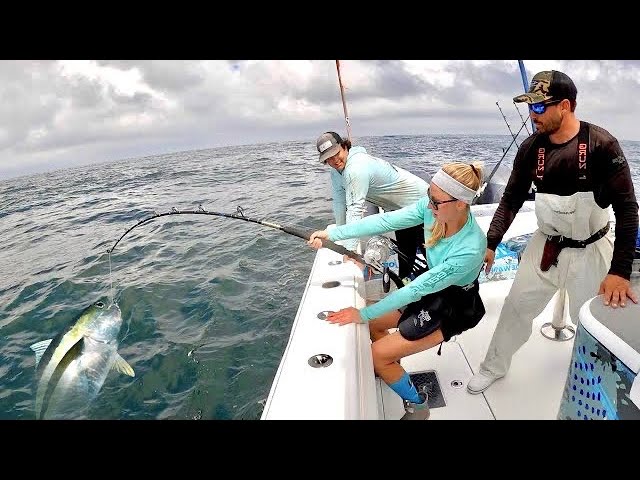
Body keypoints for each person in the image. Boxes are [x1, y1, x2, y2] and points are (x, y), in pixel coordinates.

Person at [467, 70, 639, 395]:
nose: (532, 115)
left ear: (565, 106)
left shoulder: (603, 145)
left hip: (592, 248)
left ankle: (599, 389)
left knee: (594, 322)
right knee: (515, 307)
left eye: (539, 108)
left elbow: (629, 210)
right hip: (545, 245)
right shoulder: (532, 148)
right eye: (530, 107)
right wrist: (490, 243)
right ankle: (493, 367)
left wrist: (619, 272)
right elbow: (510, 199)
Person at [308, 162, 487, 420]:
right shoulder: (431, 211)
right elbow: (385, 220)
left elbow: (416, 289)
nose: (429, 205)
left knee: (376, 354)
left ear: (461, 203)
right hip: (432, 292)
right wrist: (333, 233)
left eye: (436, 202)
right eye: (429, 196)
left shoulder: (470, 248)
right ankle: (394, 366)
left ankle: (418, 407)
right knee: (373, 327)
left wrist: (363, 313)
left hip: (454, 308)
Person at [316, 131, 428, 280]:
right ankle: (409, 285)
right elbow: (339, 203)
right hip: (399, 210)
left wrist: (350, 252)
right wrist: (340, 234)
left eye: (336, 153)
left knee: (431, 252)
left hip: (423, 205)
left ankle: (448, 291)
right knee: (406, 252)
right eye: (328, 158)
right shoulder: (336, 172)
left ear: (344, 146)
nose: (335, 160)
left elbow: (355, 208)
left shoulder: (356, 168)